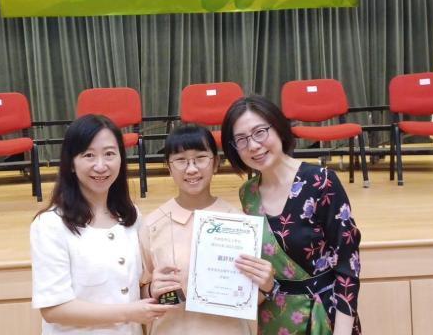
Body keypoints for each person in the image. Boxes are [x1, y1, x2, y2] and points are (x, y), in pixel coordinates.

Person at [221, 95, 362, 335]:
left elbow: (349, 264)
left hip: (325, 317)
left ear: (278, 127)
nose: (253, 145)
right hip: (275, 320)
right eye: (241, 139)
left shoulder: (320, 181)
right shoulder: (248, 194)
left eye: (259, 132)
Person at [30, 114, 174, 335]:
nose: (101, 166)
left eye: (109, 154)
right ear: (71, 164)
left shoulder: (130, 215)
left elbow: (133, 289)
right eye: (89, 155)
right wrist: (128, 313)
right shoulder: (50, 224)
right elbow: (54, 309)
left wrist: (153, 288)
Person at [139, 124, 274, 335]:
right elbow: (137, 293)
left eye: (201, 158)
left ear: (216, 163)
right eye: (181, 160)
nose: (191, 169)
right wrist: (150, 290)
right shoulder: (152, 225)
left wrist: (266, 285)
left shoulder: (242, 224)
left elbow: (250, 298)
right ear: (168, 167)